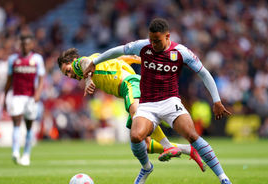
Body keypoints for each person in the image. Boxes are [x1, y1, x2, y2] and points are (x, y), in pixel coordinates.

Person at [83, 18, 237, 184]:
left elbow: (203, 73)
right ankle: (147, 167)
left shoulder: (180, 52)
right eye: (151, 40)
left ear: (167, 36)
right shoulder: (143, 46)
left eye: (157, 41)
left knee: (192, 135)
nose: (154, 44)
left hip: (171, 102)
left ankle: (224, 178)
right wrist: (95, 62)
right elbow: (117, 51)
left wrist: (216, 101)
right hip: (147, 104)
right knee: (135, 136)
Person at [57, 48, 206, 172]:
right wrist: (133, 59)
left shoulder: (82, 63)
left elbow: (84, 62)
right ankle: (188, 150)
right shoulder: (98, 61)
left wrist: (88, 79)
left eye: (68, 70)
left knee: (138, 115)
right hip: (131, 89)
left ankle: (165, 149)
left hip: (130, 83)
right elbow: (118, 60)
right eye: (66, 75)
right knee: (145, 144)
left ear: (72, 62)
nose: (70, 76)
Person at [3, 33, 45, 166]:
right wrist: (5, 97)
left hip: (31, 97)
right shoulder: (13, 59)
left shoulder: (37, 59)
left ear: (32, 45)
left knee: (29, 126)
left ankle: (26, 154)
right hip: (17, 96)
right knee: (16, 122)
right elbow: (9, 79)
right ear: (20, 45)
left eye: (27, 43)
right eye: (23, 44)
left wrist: (38, 93)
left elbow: (41, 78)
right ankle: (15, 151)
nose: (25, 46)